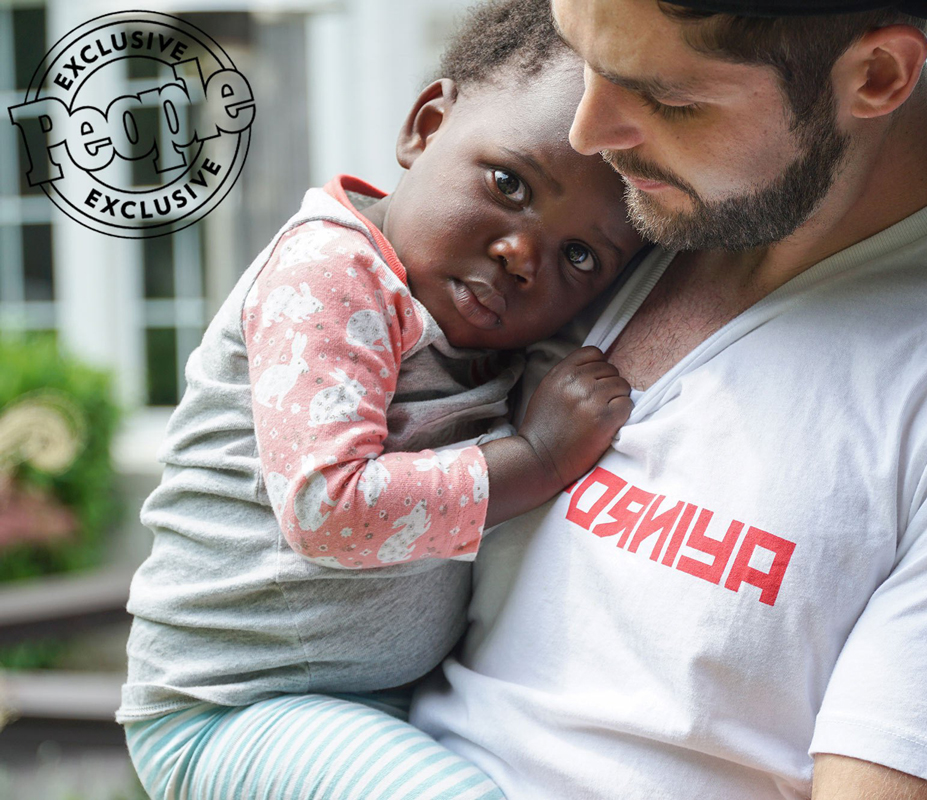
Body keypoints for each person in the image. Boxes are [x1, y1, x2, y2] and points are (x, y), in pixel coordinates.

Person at [409, 1, 927, 798]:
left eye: (669, 98)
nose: (588, 131)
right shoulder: (588, 219)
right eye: (585, 58)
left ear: (877, 76)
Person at [116, 2, 643, 797]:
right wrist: (535, 457)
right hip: (231, 705)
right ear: (425, 127)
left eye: (579, 254)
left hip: (374, 702)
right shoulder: (332, 273)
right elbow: (327, 508)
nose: (523, 255)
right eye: (509, 183)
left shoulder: (493, 332)